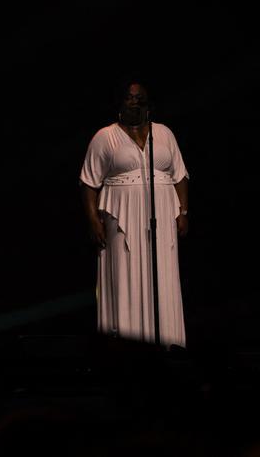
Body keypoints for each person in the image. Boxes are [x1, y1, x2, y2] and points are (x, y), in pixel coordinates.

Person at [80, 81, 190, 347]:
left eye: (140, 98)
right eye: (130, 97)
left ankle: (167, 344)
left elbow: (180, 175)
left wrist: (183, 211)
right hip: (121, 217)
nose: (135, 101)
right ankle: (129, 348)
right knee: (125, 275)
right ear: (120, 102)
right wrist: (93, 220)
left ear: (148, 103)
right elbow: (88, 182)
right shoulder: (105, 137)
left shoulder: (164, 133)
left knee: (161, 277)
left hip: (162, 215)